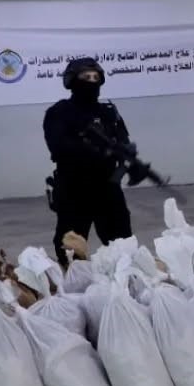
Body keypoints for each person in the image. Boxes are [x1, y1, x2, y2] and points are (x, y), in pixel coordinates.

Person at [43, 57, 134, 264]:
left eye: (95, 77)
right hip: (74, 190)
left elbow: (123, 143)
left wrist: (124, 158)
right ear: (72, 80)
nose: (91, 82)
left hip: (107, 189)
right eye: (85, 77)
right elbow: (58, 148)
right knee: (70, 253)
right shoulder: (59, 112)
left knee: (123, 249)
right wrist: (96, 150)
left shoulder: (108, 112)